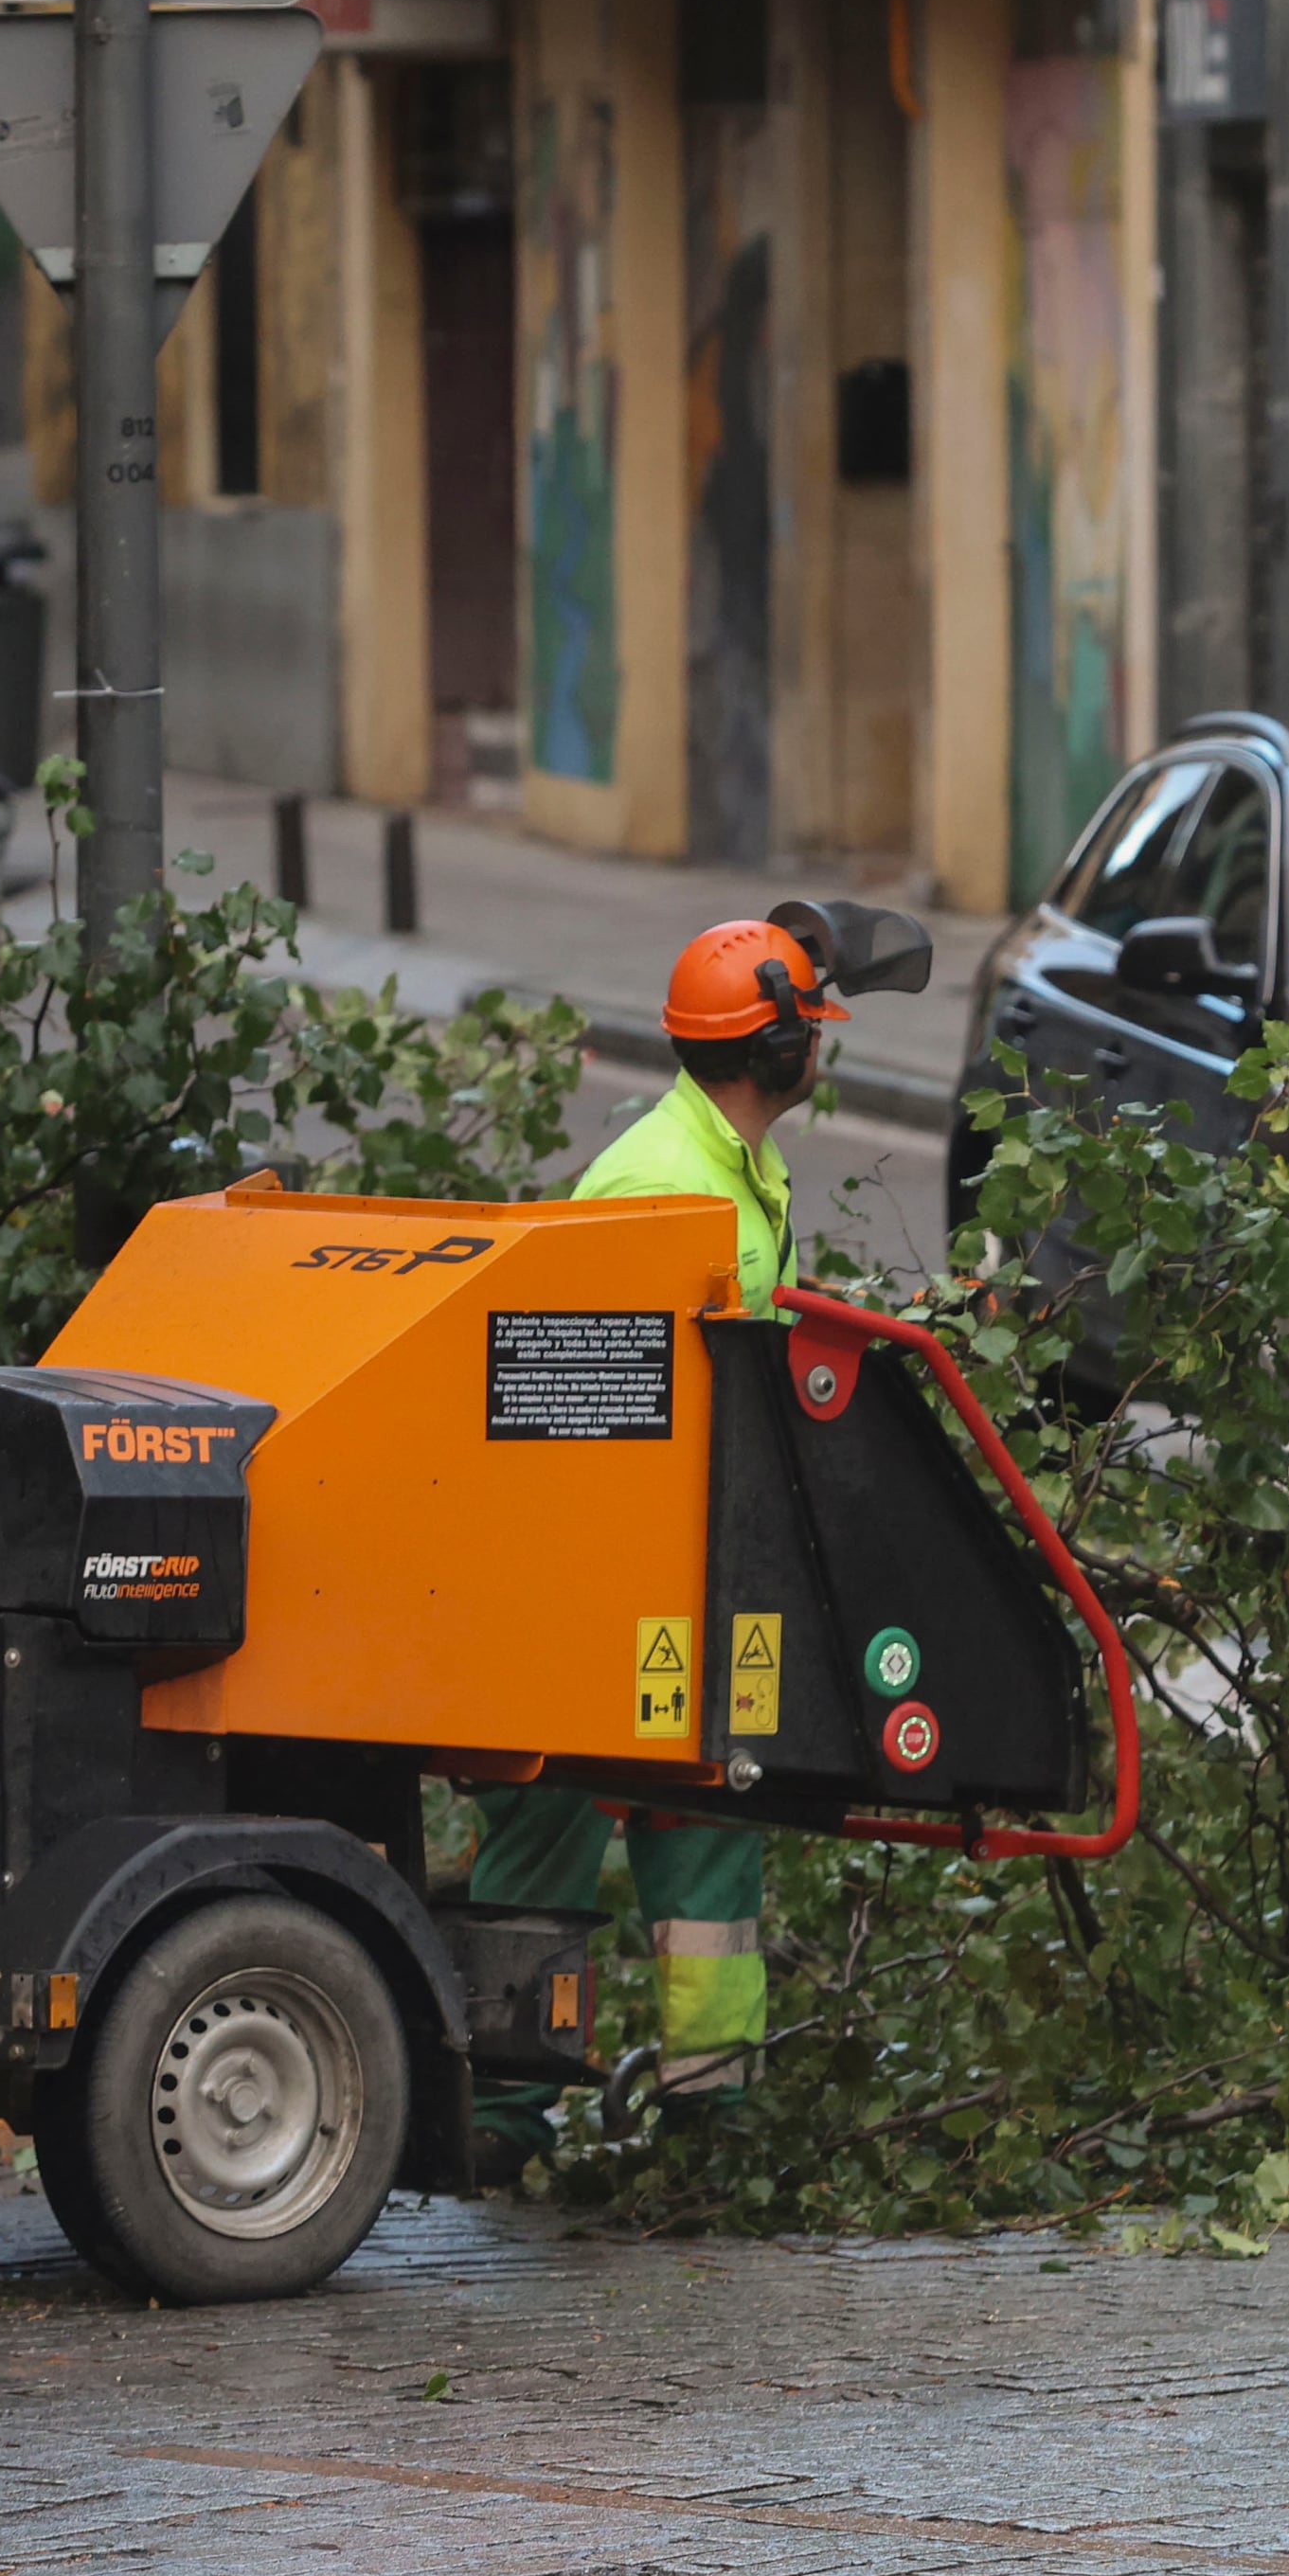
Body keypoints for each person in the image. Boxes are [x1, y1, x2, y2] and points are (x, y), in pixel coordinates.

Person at [465, 916, 850, 2169]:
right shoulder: (661, 1184)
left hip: (683, 1569)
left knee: (706, 1834)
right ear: (777, 1046)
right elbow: (589, 1398)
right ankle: (501, 2124)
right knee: (549, 1832)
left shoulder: (722, 1162)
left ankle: (705, 2122)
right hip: (606, 1578)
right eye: (813, 1033)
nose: (824, 1054)